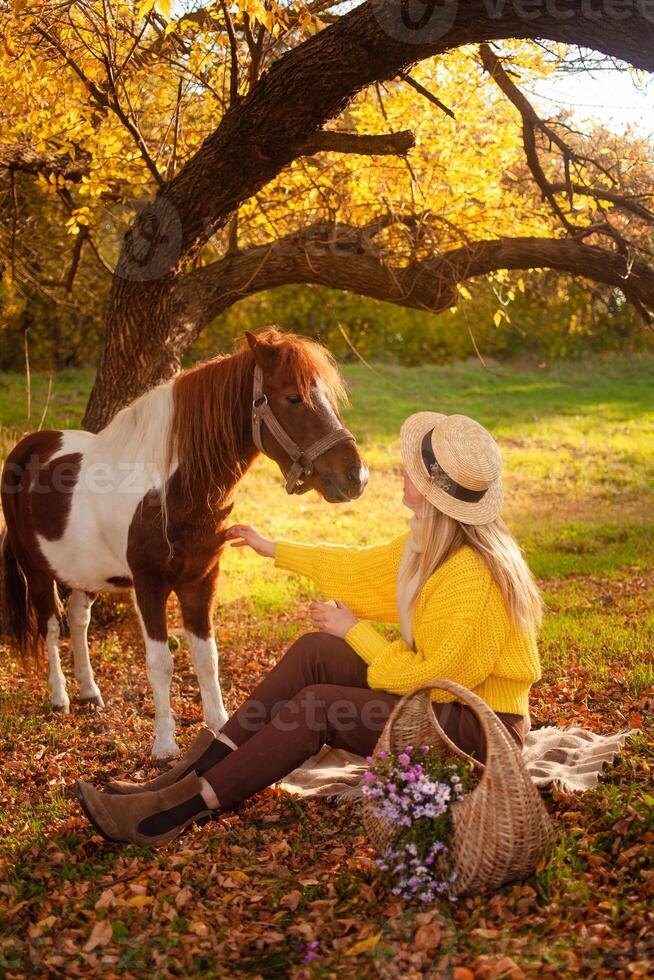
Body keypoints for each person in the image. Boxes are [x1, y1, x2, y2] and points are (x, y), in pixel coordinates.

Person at [75, 412, 542, 847]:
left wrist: (355, 631)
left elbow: (435, 682)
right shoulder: (430, 543)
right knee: (317, 649)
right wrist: (273, 548)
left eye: (408, 472)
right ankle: (195, 770)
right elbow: (358, 567)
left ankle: (178, 810)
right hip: (448, 704)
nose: (399, 473)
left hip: (476, 733)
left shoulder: (470, 576)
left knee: (319, 707)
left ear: (431, 490)